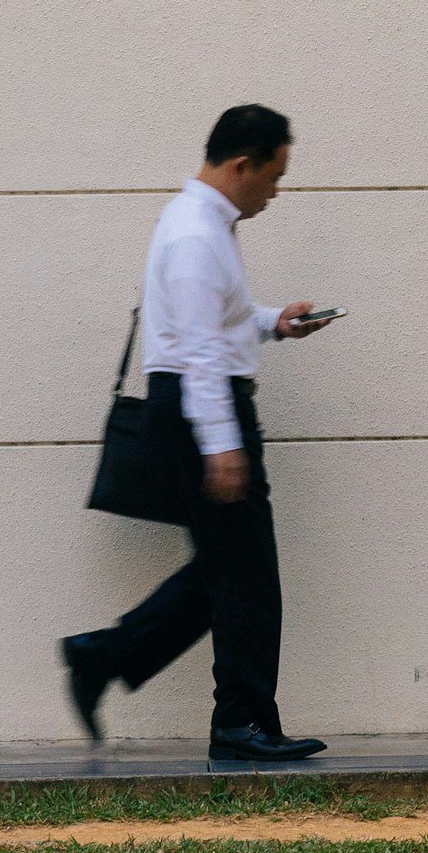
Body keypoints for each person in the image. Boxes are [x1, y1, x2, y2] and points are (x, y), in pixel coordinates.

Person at [60, 103, 338, 761]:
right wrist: (221, 443)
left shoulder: (204, 226)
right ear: (243, 164)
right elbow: (198, 351)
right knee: (244, 573)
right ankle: (237, 724)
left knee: (230, 570)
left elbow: (214, 324)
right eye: (274, 175)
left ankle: (103, 659)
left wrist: (274, 322)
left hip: (191, 407)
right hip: (196, 410)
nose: (276, 190)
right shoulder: (195, 235)